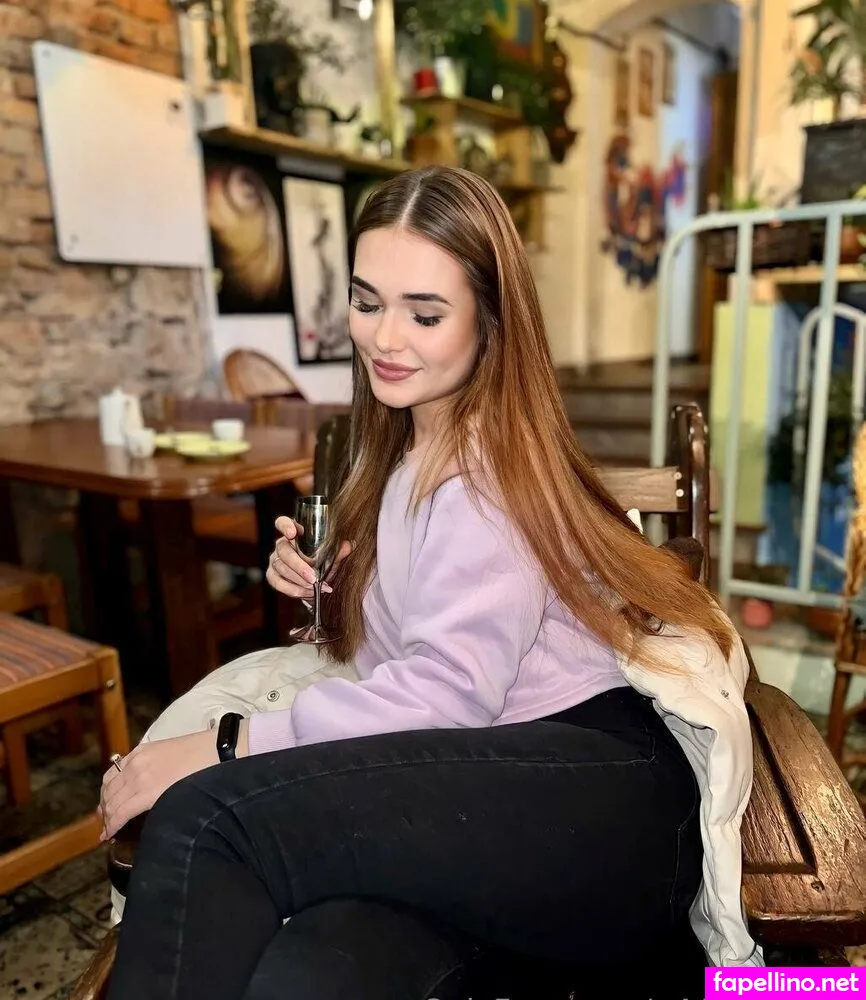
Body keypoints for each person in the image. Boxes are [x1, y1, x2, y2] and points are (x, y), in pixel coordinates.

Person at [101, 166, 759, 1000]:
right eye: (366, 301)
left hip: (598, 799)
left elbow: (445, 694)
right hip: (493, 795)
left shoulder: (487, 471)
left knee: (205, 822)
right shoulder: (407, 450)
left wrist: (226, 742)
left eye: (425, 313)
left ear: (491, 320)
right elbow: (424, 644)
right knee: (308, 974)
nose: (385, 338)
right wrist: (341, 586)